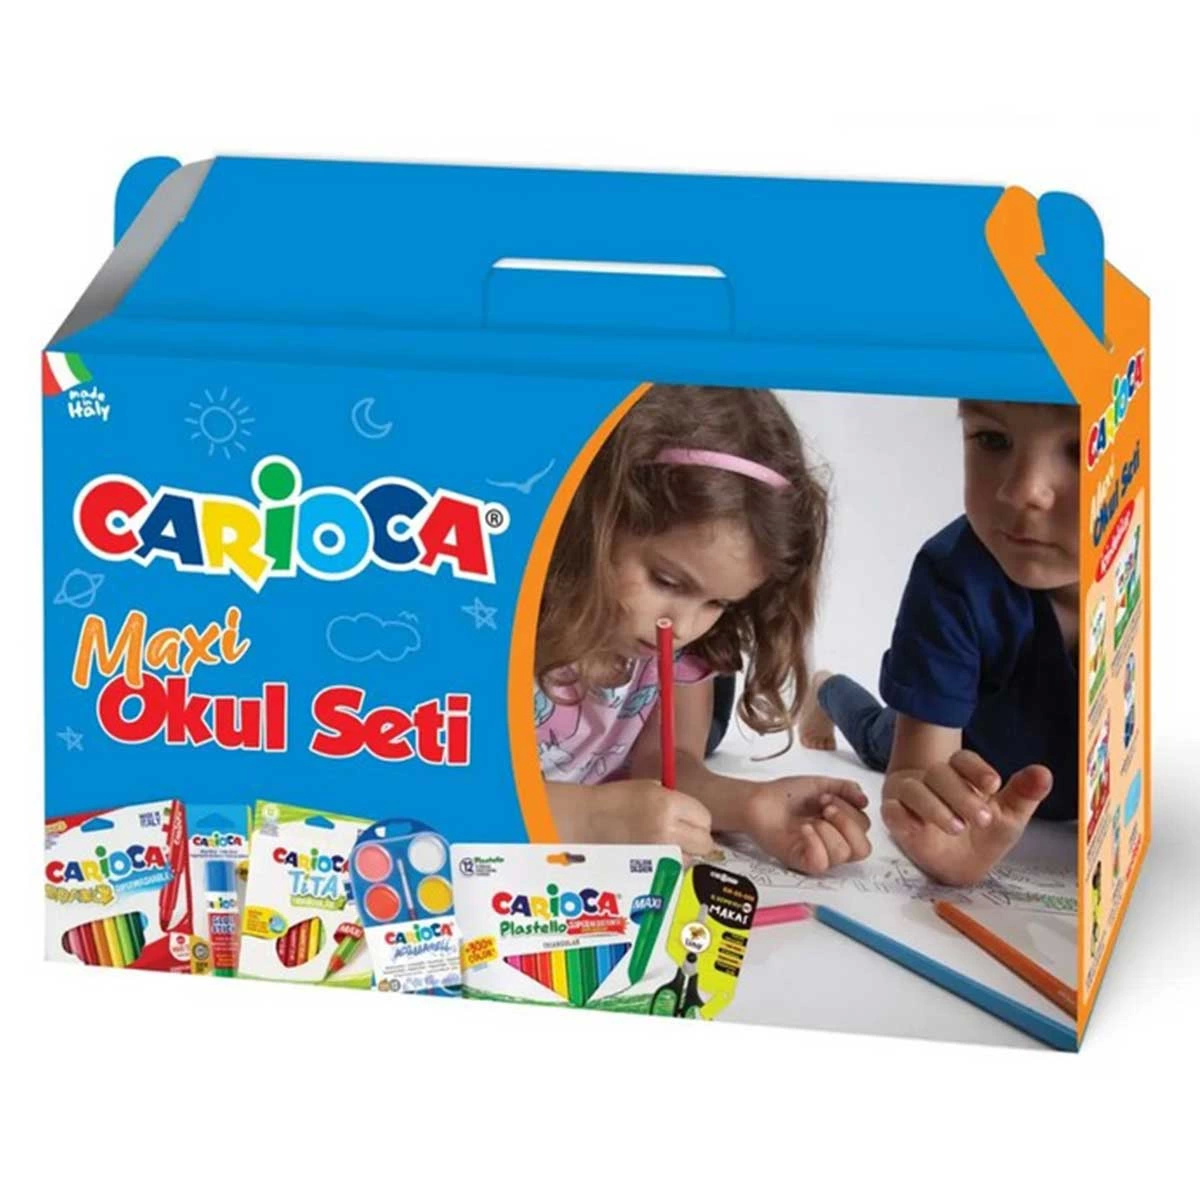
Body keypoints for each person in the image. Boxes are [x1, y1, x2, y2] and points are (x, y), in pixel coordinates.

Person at [536, 384, 871, 875]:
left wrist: (752, 805)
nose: (683, 627)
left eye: (718, 602)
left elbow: (667, 762)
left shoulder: (689, 643)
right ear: (597, 518)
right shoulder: (504, 626)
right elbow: (442, 788)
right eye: (667, 580)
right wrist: (592, 817)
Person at [799, 399, 1079, 885]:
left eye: (1083, 450)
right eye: (992, 439)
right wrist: (939, 836)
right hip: (965, 743)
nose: (1020, 492)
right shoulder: (953, 575)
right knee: (876, 736)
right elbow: (918, 777)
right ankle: (825, 689)